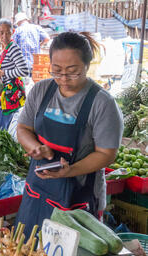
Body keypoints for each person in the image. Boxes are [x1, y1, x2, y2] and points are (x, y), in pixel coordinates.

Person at [15, 32, 123, 240]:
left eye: (72, 72)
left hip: (79, 194)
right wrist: (35, 147)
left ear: (87, 65)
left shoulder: (102, 103)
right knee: (28, 254)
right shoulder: (41, 90)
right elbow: (23, 128)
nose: (63, 78)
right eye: (56, 70)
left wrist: (70, 170)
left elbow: (106, 154)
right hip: (38, 190)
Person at [0, 18, 29, 131]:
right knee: (1, 127)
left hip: (11, 95)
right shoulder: (3, 49)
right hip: (5, 94)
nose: (5, 36)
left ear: (12, 32)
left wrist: (4, 73)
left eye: (8, 32)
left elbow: (24, 70)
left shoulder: (13, 48)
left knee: (3, 129)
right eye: (1, 32)